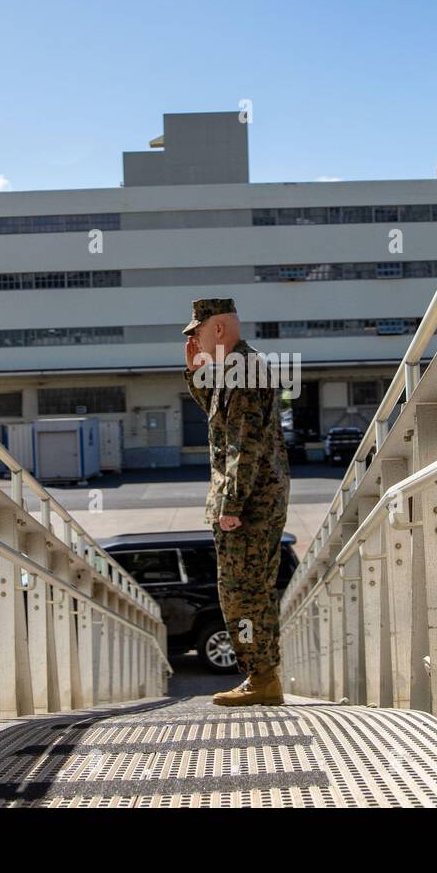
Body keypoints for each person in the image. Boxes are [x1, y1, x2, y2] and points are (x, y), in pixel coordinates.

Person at [182, 298, 291, 707]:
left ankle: (260, 677)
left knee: (241, 593)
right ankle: (262, 676)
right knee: (251, 591)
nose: (192, 339)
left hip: (250, 504)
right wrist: (196, 375)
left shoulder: (244, 371)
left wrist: (231, 504)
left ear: (220, 330)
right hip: (256, 499)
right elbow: (220, 417)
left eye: (197, 331)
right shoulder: (237, 369)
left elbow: (243, 444)